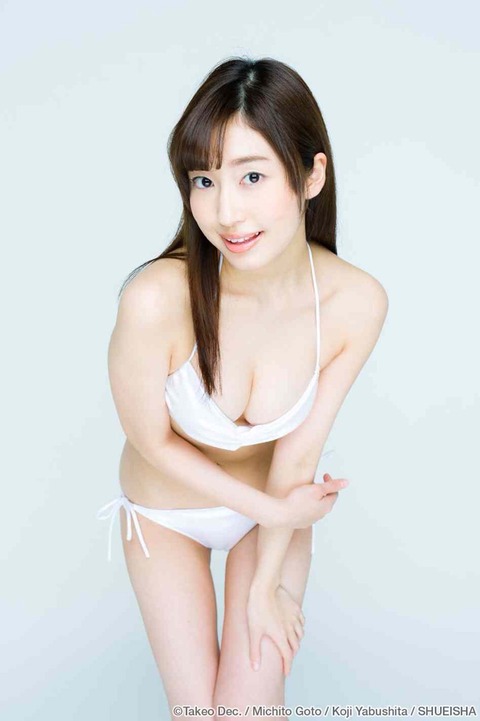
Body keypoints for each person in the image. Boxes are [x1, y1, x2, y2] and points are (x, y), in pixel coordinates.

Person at [96, 56, 388, 715]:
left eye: (251, 176)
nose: (225, 211)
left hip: (272, 513)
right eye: (204, 180)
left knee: (249, 709)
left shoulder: (354, 301)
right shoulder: (155, 299)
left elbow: (298, 455)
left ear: (311, 175)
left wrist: (265, 581)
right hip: (166, 515)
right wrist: (276, 509)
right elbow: (151, 442)